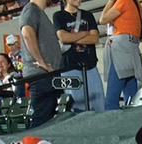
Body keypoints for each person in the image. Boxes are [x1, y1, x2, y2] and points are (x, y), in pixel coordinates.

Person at [20, 0, 65, 128]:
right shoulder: (31, 10)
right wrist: (41, 61)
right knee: (42, 118)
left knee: (48, 117)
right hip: (41, 75)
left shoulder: (37, 11)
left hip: (46, 74)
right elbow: (27, 33)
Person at [54, 0, 104, 113]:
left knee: (98, 103)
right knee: (77, 105)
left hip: (90, 65)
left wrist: (72, 37)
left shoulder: (88, 15)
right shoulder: (58, 16)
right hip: (69, 66)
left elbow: (94, 38)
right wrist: (85, 34)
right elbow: (63, 37)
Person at [100, 0, 142, 109]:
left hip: (121, 50)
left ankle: (112, 125)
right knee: (132, 99)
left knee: (111, 100)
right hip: (132, 49)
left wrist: (111, 1)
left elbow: (102, 19)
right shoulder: (136, 3)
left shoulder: (123, 1)